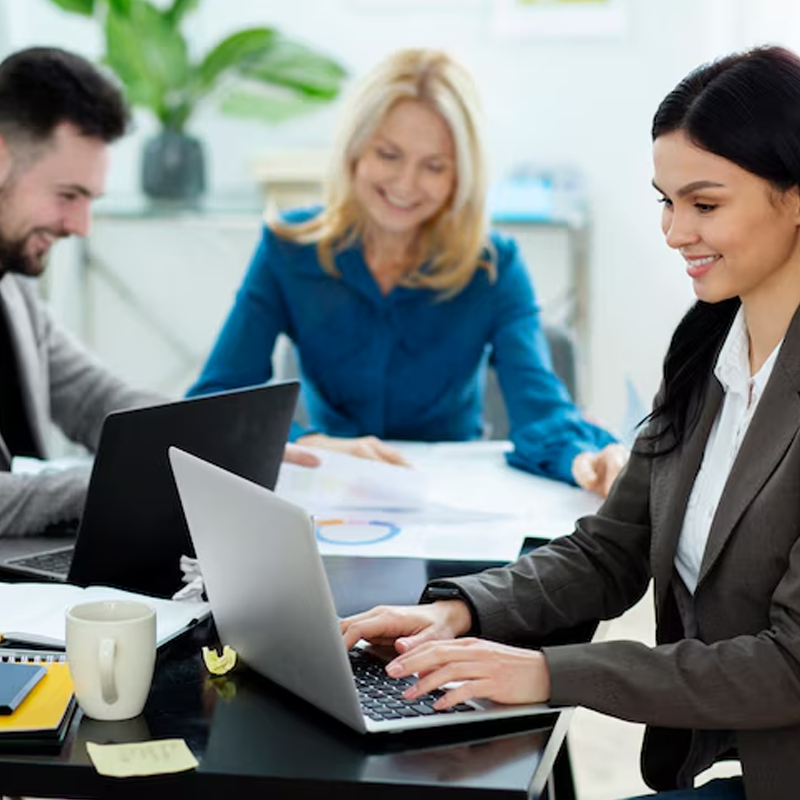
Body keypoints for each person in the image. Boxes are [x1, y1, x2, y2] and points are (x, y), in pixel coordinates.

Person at [339, 45, 800, 800]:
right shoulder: (708, 346)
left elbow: (790, 664)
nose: (674, 232)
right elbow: (611, 549)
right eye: (666, 201)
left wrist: (546, 673)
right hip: (719, 762)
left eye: (705, 205)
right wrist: (459, 611)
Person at [187, 48, 626, 497]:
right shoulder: (288, 248)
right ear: (355, 152)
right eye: (389, 155)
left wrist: (585, 459)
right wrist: (312, 444)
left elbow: (542, 411)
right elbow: (211, 404)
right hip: (330, 492)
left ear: (459, 177)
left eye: (434, 166)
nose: (406, 184)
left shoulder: (494, 265)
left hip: (452, 498)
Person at [0, 46, 314, 538]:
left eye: (89, 200)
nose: (81, 226)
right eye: (68, 196)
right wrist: (125, 480)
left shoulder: (13, 288)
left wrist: (215, 445)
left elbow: (94, 398)